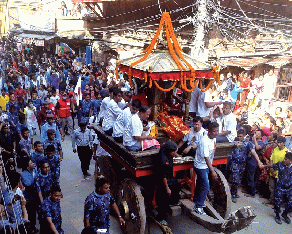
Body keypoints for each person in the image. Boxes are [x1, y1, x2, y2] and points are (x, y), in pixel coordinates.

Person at [193, 122, 219, 215]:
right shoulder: (204, 140)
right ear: (209, 131)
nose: (216, 133)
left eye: (217, 131)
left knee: (200, 183)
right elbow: (206, 157)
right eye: (214, 131)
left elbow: (213, 150)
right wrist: (212, 171)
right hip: (200, 166)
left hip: (206, 165)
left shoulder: (213, 139)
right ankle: (198, 206)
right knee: (205, 185)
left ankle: (196, 199)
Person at [153, 141, 181, 225]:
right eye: (174, 152)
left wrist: (178, 155)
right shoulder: (163, 159)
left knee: (177, 185)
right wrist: (167, 188)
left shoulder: (168, 153)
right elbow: (163, 175)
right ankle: (160, 217)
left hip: (169, 177)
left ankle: (172, 202)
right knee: (164, 198)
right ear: (169, 151)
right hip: (162, 180)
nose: (175, 153)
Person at [264, 152, 292, 225]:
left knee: (290, 203)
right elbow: (271, 166)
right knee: (277, 203)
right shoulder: (280, 164)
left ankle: (285, 214)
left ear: (290, 161)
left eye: (286, 159)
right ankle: (277, 216)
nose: (284, 160)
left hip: (289, 188)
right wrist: (271, 171)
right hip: (280, 187)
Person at [21, 158, 38, 233]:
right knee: (30, 213)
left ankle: (33, 227)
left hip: (35, 196)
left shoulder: (34, 171)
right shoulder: (24, 174)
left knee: (34, 213)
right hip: (29, 198)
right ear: (27, 166)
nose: (33, 164)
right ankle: (30, 228)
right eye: (31, 163)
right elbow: (29, 185)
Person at [245, 129, 264, 197]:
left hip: (254, 161)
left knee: (251, 177)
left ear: (261, 136)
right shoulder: (251, 141)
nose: (256, 134)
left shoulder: (261, 142)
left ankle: (252, 193)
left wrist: (255, 139)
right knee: (248, 176)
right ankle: (248, 190)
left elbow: (257, 148)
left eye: (258, 134)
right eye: (255, 133)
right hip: (249, 160)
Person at [268, 136, 287, 203]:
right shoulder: (275, 149)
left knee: (278, 189)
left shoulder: (286, 152)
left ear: (283, 143)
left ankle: (276, 203)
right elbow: (271, 159)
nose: (278, 144)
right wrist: (272, 169)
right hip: (272, 171)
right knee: (271, 187)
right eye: (278, 142)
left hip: (279, 174)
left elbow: (284, 164)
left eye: (280, 143)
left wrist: (277, 171)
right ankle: (271, 200)